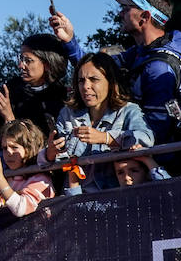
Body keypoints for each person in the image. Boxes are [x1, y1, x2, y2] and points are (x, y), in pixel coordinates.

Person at [50, 0, 181, 144]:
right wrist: (69, 40)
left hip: (160, 162)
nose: (121, 14)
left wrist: (107, 138)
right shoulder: (140, 53)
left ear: (145, 16)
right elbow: (97, 69)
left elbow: (155, 135)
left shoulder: (158, 68)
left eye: (127, 9)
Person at [45, 52, 155, 194]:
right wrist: (50, 154)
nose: (86, 86)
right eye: (81, 80)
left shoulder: (129, 111)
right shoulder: (67, 113)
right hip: (76, 199)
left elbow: (146, 138)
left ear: (111, 82)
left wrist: (106, 138)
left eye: (93, 79)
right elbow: (53, 157)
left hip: (116, 199)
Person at [0, 33, 71, 144]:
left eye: (28, 60)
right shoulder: (12, 88)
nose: (21, 66)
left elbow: (40, 144)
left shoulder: (60, 97)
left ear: (47, 64)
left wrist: (10, 118)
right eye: (20, 59)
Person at [0, 119, 53, 217]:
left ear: (29, 148)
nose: (9, 153)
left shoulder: (41, 179)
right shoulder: (6, 177)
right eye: (4, 148)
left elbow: (21, 209)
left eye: (14, 147)